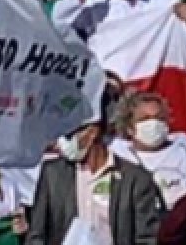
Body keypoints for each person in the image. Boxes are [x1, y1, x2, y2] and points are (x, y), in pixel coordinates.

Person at [28, 101, 164, 245]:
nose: (62, 143)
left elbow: (147, 237)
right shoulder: (52, 174)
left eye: (69, 136)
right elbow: (37, 235)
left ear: (93, 132)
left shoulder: (135, 179)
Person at [111, 91, 186, 208]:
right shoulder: (118, 155)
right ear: (129, 128)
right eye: (145, 118)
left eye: (159, 118)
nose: (153, 123)